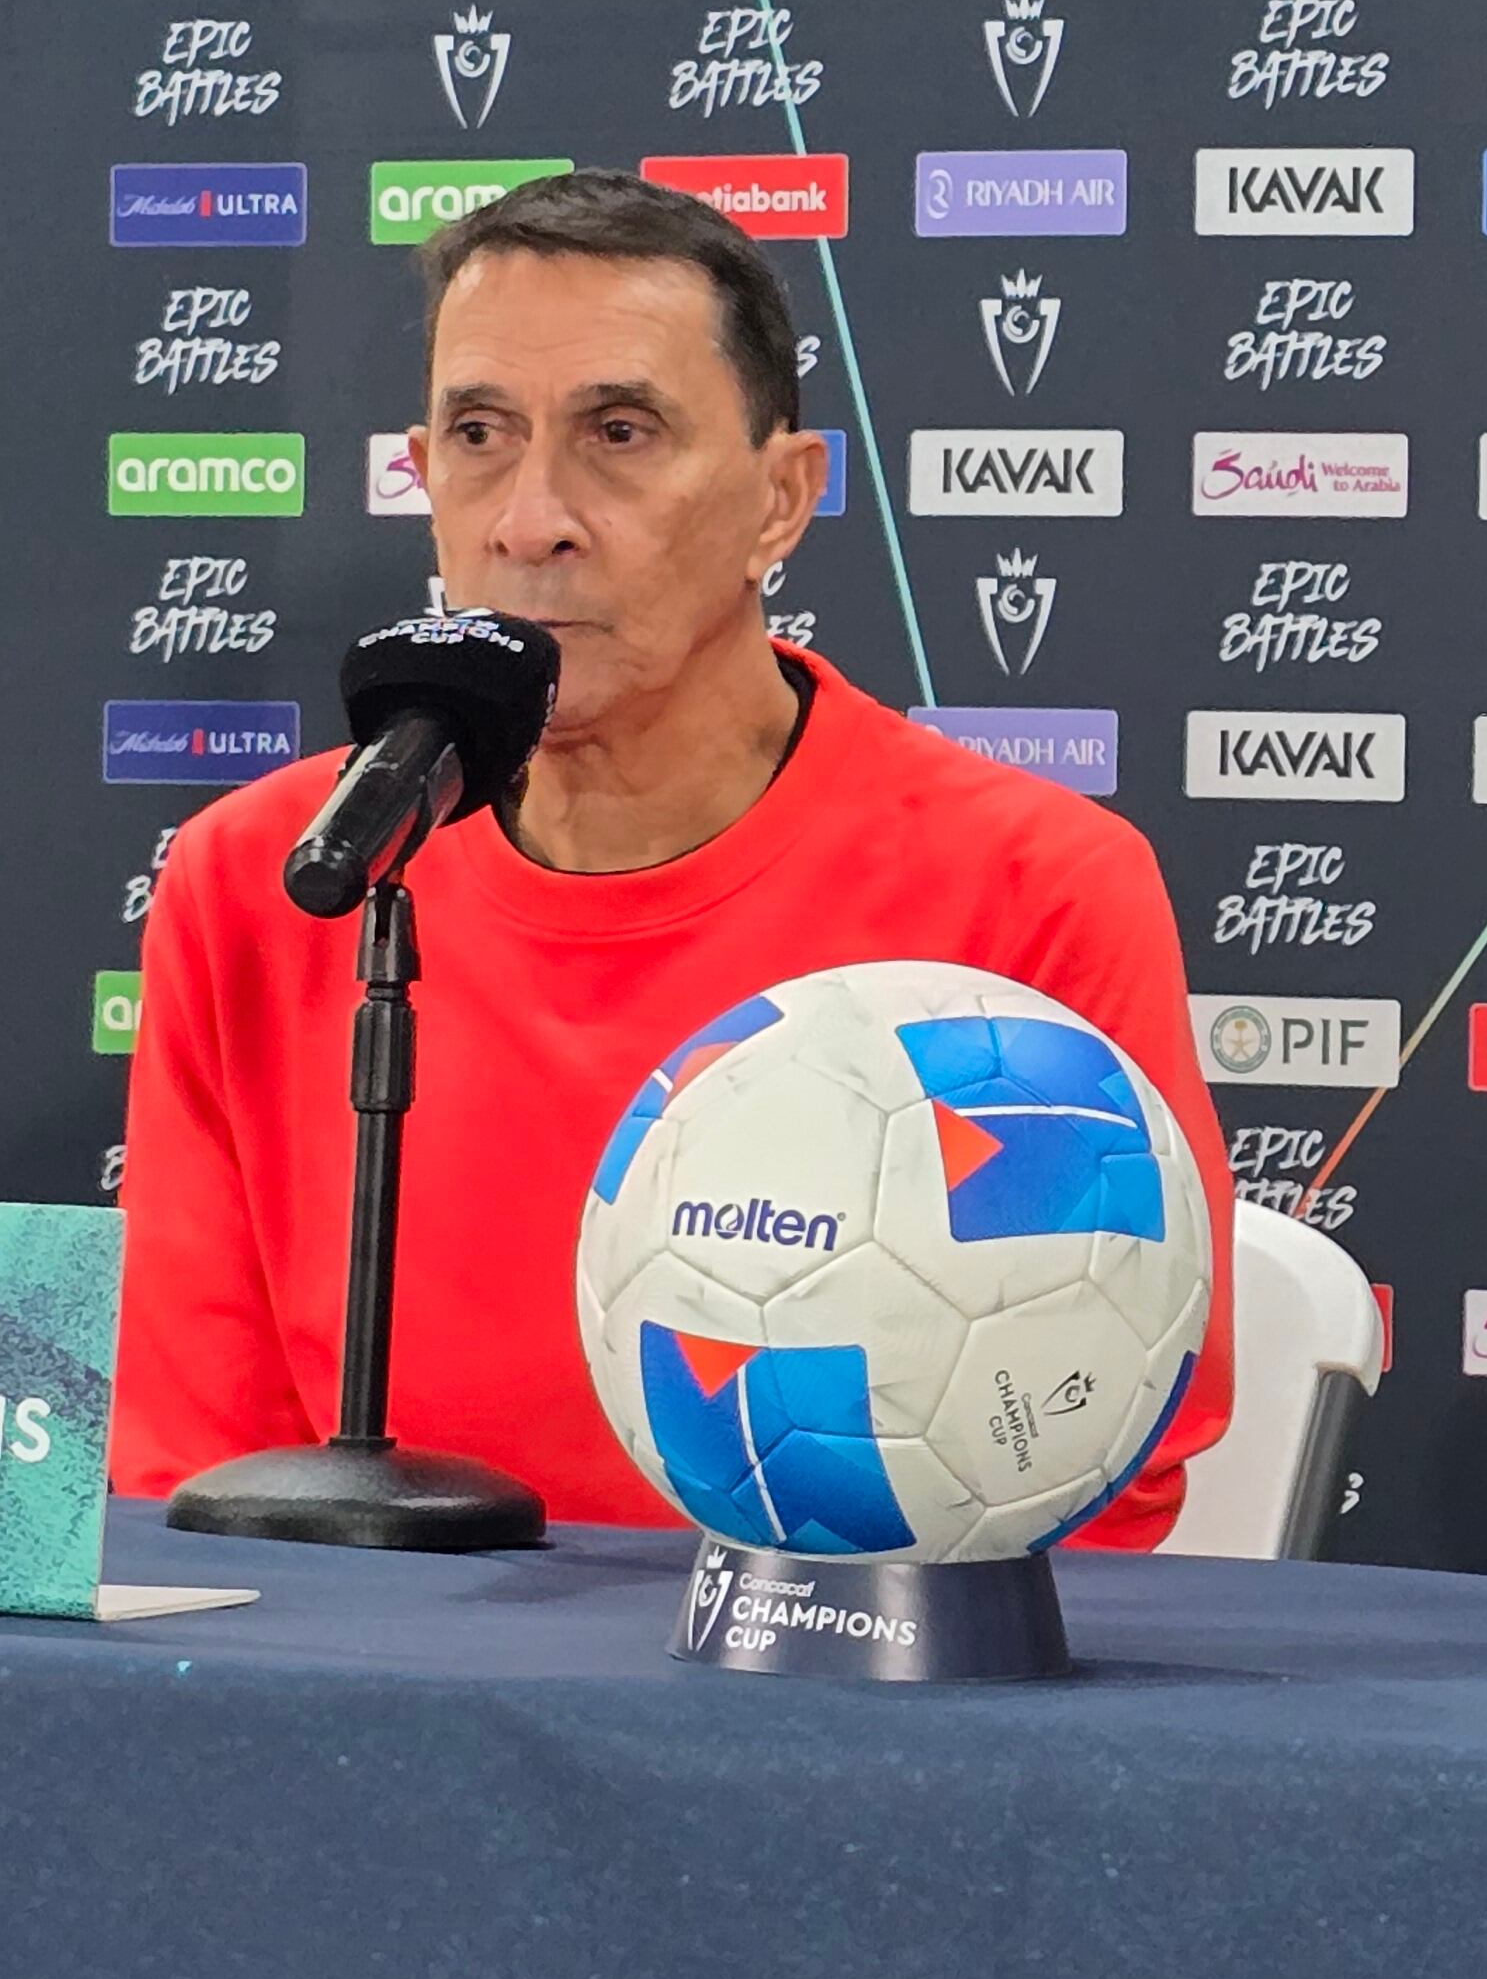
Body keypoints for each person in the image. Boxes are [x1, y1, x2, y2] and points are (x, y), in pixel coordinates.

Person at [114, 170, 1236, 1543]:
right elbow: (190, 1480)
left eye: (620, 433)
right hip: (357, 1670)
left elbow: (1100, 1465)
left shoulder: (1033, 891)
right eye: (480, 435)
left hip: (847, 1664)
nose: (531, 519)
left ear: (781, 498)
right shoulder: (275, 875)